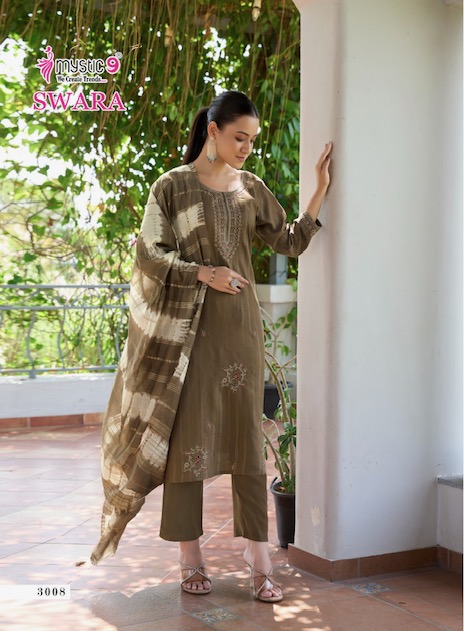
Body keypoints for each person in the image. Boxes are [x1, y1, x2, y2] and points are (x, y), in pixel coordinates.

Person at [91, 90, 331, 604]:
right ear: (213, 131)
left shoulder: (251, 188)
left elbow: (288, 241)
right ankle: (190, 555)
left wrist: (319, 190)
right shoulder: (171, 187)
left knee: (247, 440)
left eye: (252, 140)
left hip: (241, 332)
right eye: (239, 137)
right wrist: (203, 272)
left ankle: (258, 555)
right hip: (189, 335)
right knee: (187, 442)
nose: (246, 148)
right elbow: (149, 254)